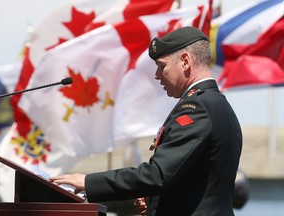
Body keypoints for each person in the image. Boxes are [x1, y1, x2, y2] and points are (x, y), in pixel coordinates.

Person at [50, 26, 243, 216]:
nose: (157, 76)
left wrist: (88, 182)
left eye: (161, 66)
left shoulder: (197, 109)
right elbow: (190, 178)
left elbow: (158, 175)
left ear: (185, 61)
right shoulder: (214, 104)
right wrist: (153, 200)